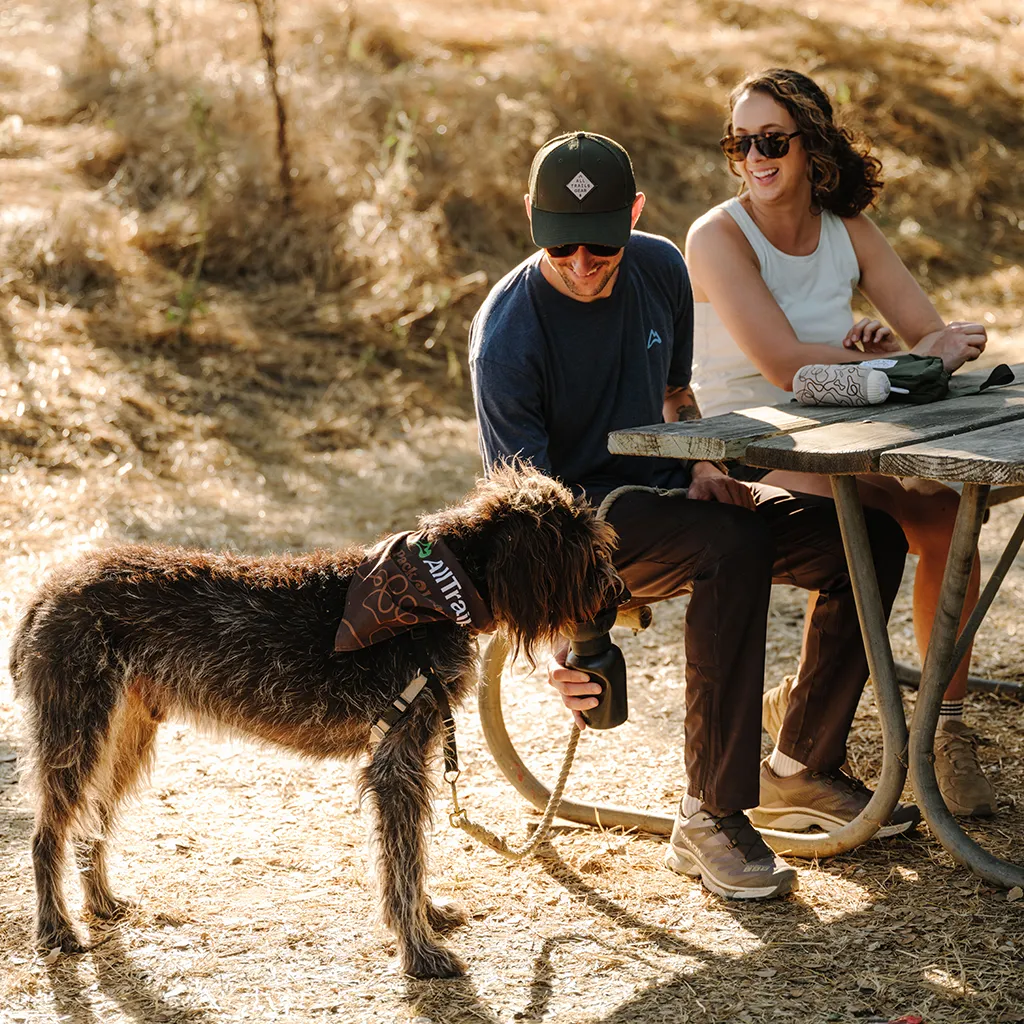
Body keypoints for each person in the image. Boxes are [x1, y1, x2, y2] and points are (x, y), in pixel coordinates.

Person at [469, 130, 917, 901]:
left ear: (634, 217)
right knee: (731, 542)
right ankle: (710, 815)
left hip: (675, 497)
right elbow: (523, 522)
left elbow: (677, 396)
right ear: (530, 219)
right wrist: (551, 646)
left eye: (600, 247)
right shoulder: (507, 334)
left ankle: (801, 765)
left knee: (864, 536)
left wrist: (705, 462)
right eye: (562, 245)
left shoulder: (660, 265)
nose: (581, 264)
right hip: (582, 534)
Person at [685, 67, 995, 817]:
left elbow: (931, 333)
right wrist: (895, 362)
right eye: (740, 141)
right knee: (878, 524)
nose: (755, 157)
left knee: (952, 516)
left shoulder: (846, 228)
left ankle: (941, 732)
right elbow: (784, 365)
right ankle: (801, 731)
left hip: (840, 429)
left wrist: (885, 348)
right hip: (751, 440)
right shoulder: (716, 235)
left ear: (812, 147)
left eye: (772, 140)